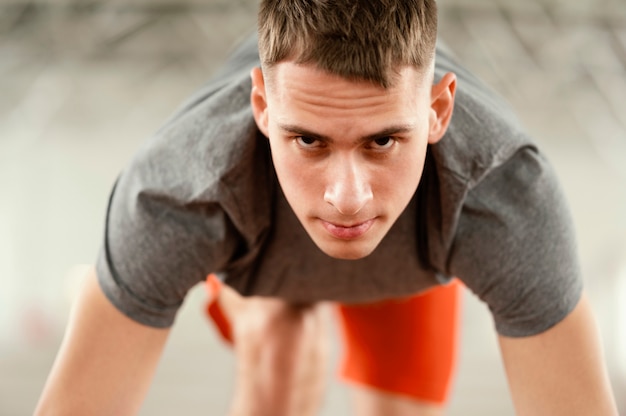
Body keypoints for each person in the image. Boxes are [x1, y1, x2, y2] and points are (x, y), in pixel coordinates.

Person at [35, 1, 618, 415]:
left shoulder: (504, 195)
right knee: (280, 354)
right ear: (261, 106)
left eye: (383, 140)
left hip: (412, 265)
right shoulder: (176, 194)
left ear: (438, 112)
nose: (347, 197)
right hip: (259, 260)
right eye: (309, 140)